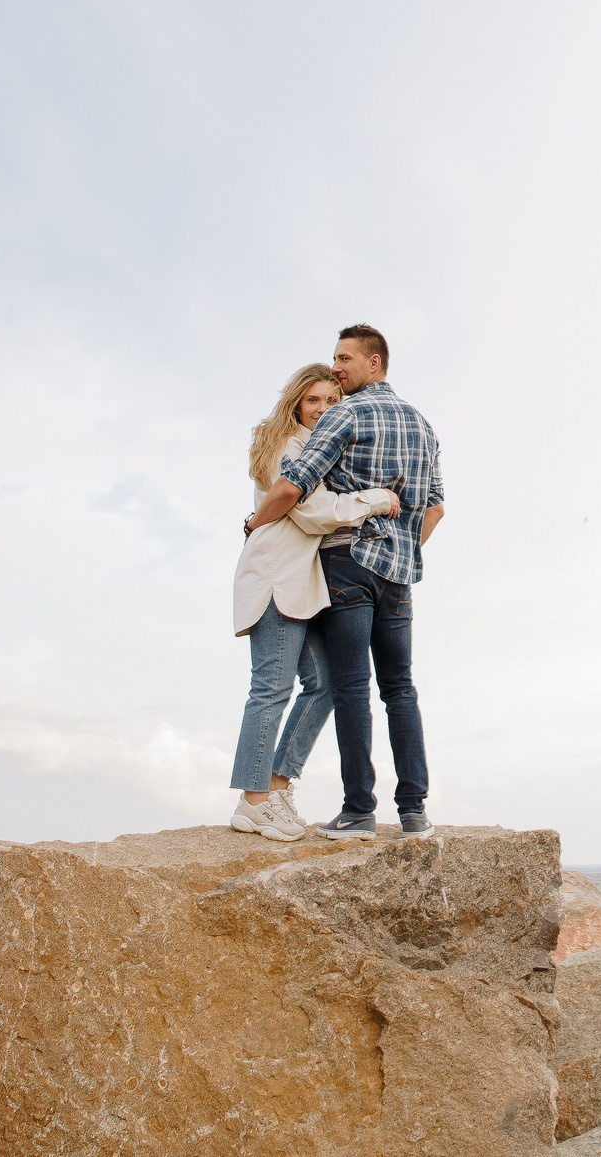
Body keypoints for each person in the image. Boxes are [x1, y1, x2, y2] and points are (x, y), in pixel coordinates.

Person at [271, 323, 445, 840]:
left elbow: (295, 483)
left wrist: (256, 523)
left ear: (375, 363)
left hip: (346, 563)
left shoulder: (345, 414)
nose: (337, 367)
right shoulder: (422, 424)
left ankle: (359, 812)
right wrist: (404, 547)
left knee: (351, 688)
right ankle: (414, 812)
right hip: (399, 574)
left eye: (345, 359)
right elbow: (434, 507)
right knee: (400, 690)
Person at [227, 362, 398, 841]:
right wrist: (378, 499)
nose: (323, 410)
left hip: (300, 584)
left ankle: (277, 784)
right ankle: (252, 802)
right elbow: (314, 512)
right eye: (313, 401)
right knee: (270, 690)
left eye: (331, 402)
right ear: (296, 403)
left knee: (322, 684)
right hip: (277, 577)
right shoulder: (289, 446)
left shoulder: (313, 446)